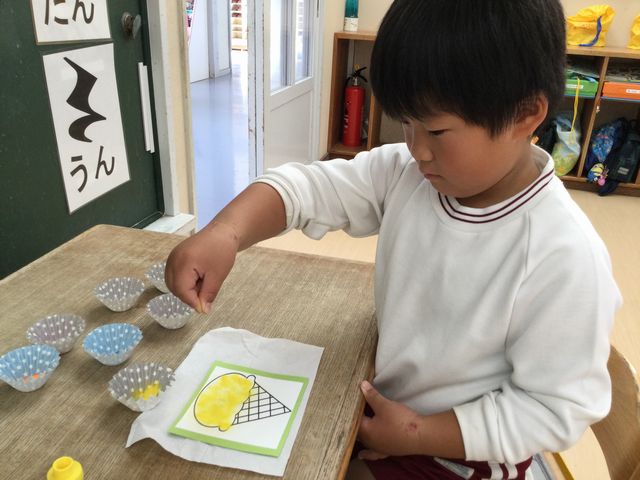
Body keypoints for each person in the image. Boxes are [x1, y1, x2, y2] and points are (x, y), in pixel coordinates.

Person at [165, 0, 622, 478]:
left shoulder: (563, 256)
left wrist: (418, 433)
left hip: (460, 455)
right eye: (406, 122)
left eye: (437, 130)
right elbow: (309, 188)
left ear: (524, 115)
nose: (416, 148)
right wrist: (227, 230)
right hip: (385, 399)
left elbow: (553, 410)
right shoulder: (408, 173)